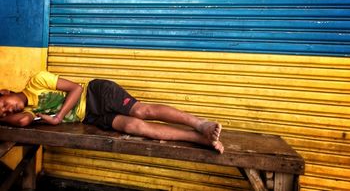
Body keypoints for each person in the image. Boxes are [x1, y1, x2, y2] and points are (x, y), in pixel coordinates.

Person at [0, 71, 224, 153]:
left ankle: (200, 124)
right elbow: (20, 122)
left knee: (141, 112)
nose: (6, 109)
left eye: (1, 104)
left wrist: (58, 118)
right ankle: (200, 139)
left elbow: (76, 88)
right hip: (93, 117)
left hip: (96, 93)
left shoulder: (36, 81)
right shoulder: (29, 112)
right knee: (135, 127)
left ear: (4, 91)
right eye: (2, 113)